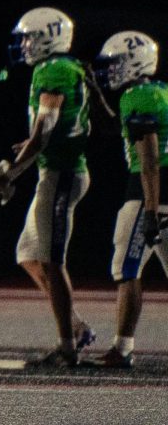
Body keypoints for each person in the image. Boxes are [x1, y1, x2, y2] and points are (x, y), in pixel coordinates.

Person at [0, 7, 94, 367]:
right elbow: (46, 134)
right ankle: (74, 326)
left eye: (29, 38)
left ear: (49, 37)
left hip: (61, 174)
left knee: (51, 261)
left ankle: (67, 346)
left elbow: (43, 133)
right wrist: (24, 156)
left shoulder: (55, 69)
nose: (25, 45)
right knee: (29, 255)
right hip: (54, 172)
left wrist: (10, 174)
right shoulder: (60, 68)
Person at [85, 31, 168, 368]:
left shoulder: (138, 97)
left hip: (148, 193)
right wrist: (93, 91)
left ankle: (122, 348)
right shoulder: (160, 92)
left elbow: (148, 159)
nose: (111, 70)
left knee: (126, 268)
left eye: (117, 63)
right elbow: (112, 126)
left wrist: (149, 211)